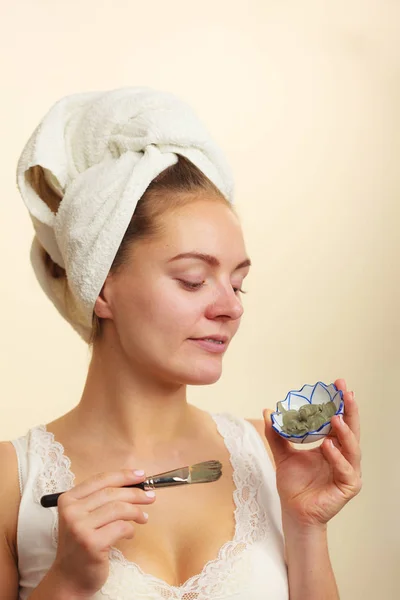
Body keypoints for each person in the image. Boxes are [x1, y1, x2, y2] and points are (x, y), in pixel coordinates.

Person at [0, 89, 362, 600]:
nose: (230, 307)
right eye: (193, 280)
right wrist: (67, 583)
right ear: (102, 286)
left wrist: (307, 526)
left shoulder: (269, 456)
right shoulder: (11, 484)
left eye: (237, 284)